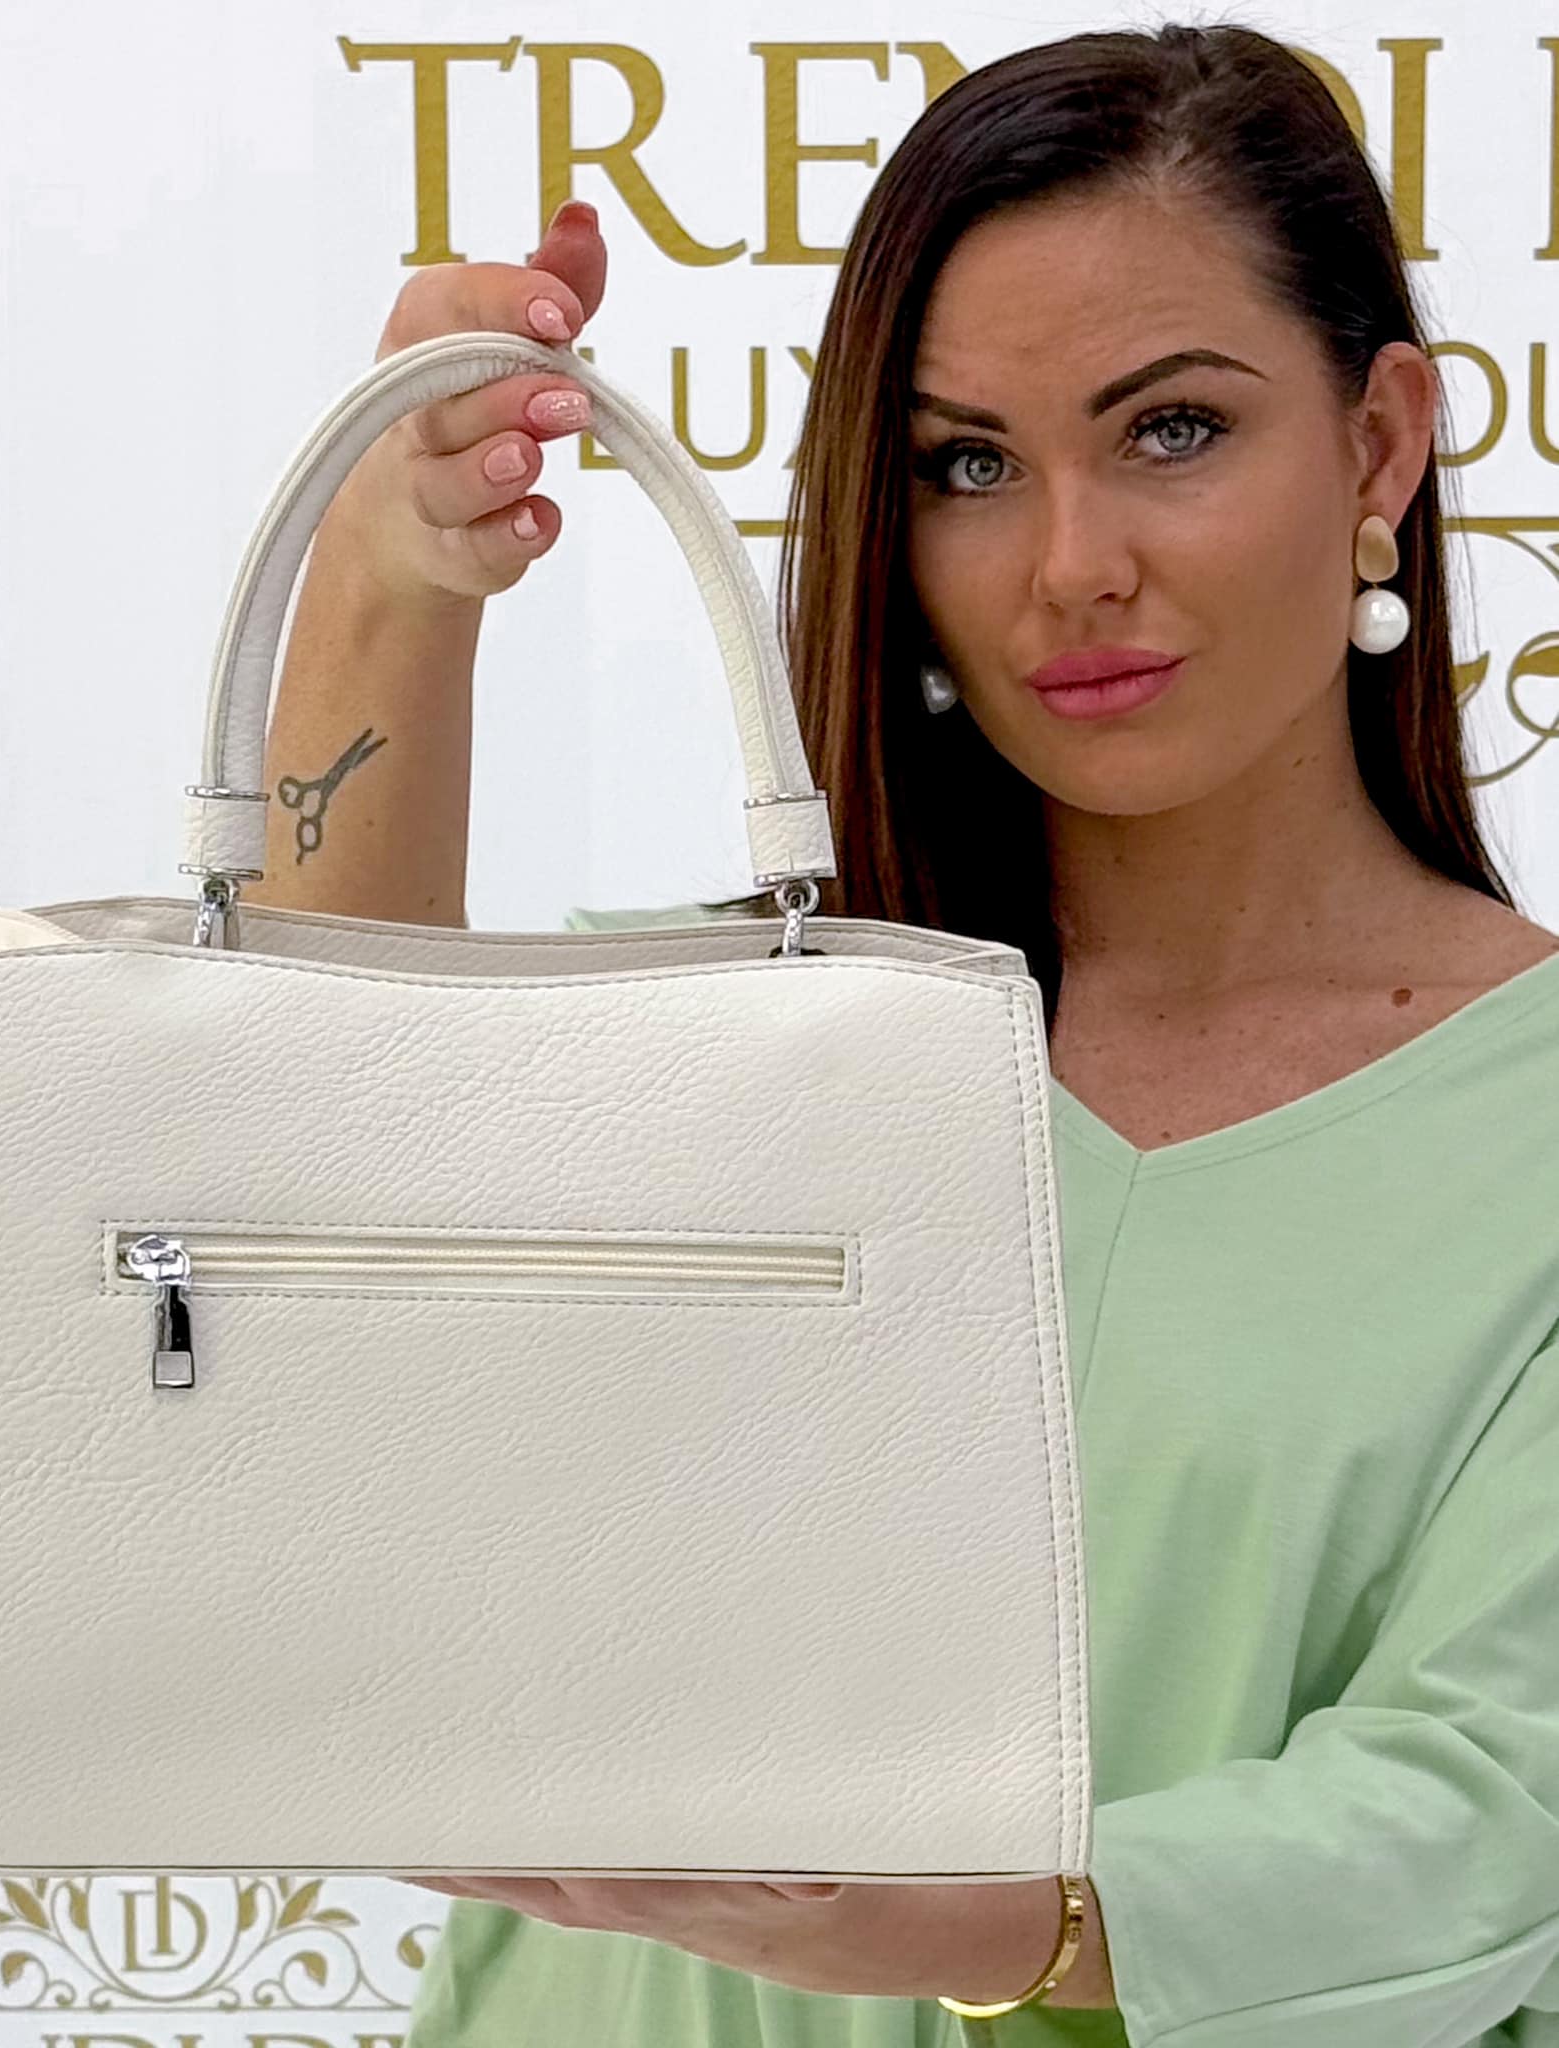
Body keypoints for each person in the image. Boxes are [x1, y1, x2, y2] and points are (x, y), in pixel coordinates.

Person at [241, 20, 1559, 2048]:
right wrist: (394, 564)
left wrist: (978, 1914)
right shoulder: (724, 1051)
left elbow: (1488, 1806)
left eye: (1173, 429)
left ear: (1379, 445)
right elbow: (309, 1172)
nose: (1072, 566)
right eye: (968, 465)